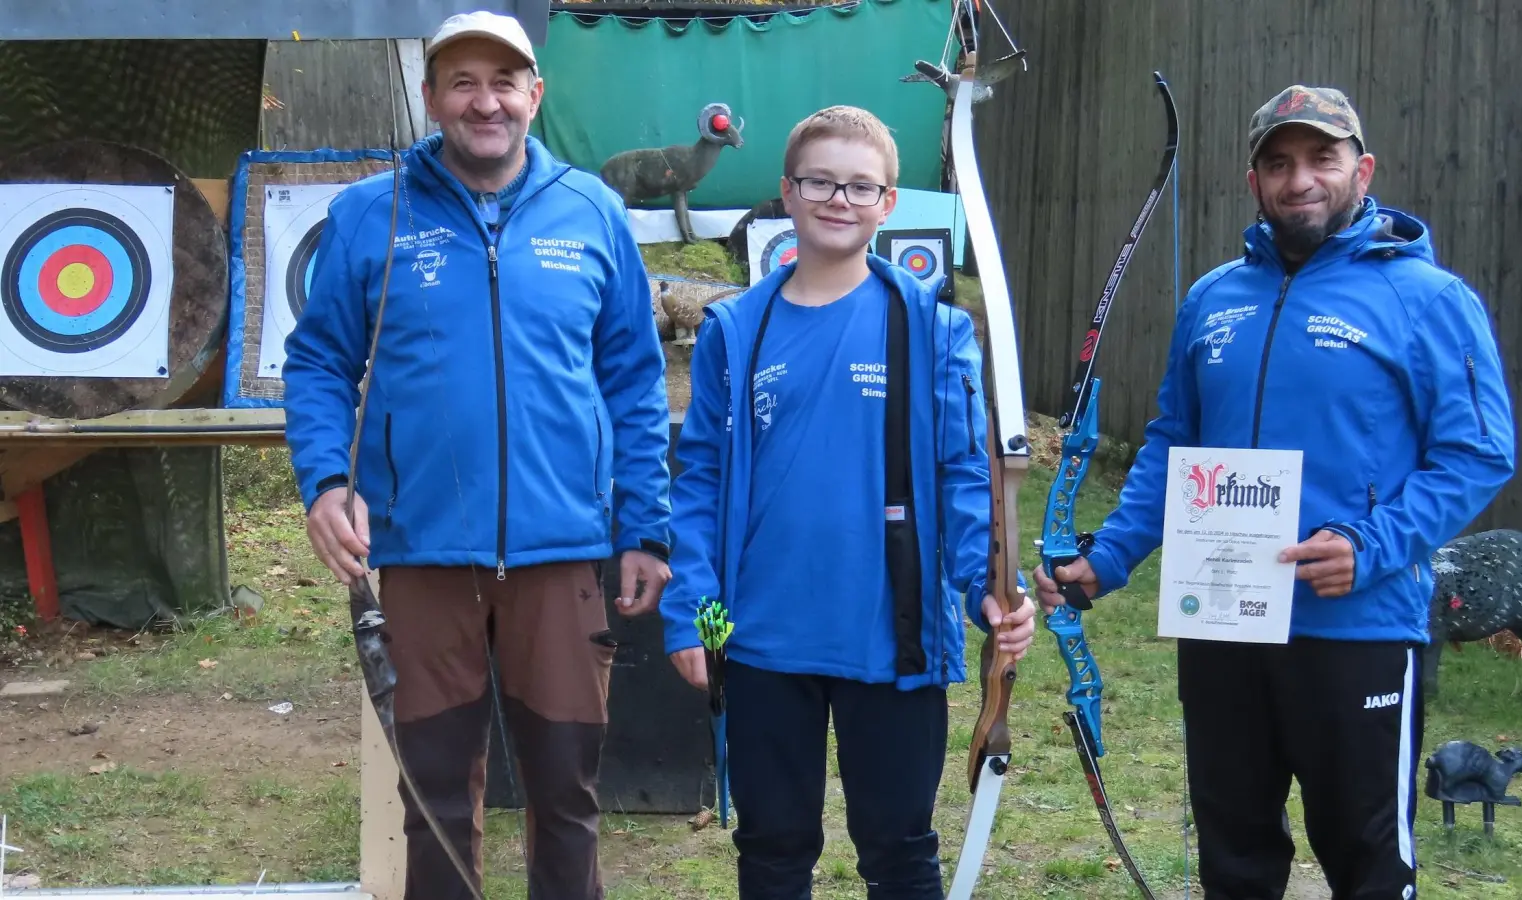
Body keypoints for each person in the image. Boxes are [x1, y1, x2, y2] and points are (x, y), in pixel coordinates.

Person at [1036, 84, 1517, 898]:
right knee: (1236, 856)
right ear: (1253, 181)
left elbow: (1478, 453)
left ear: (1361, 171)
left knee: (1367, 860)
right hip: (1221, 621)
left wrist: (1371, 546)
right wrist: (1109, 556)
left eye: (1322, 159)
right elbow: (1173, 445)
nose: (1301, 180)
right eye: (1279, 162)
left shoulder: (1428, 298)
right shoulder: (1213, 299)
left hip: (1357, 626)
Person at [282, 11, 672, 899]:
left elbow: (636, 383)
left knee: (567, 794)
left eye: (504, 82)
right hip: (421, 553)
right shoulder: (367, 216)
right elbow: (318, 362)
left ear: (535, 94)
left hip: (563, 551)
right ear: (431, 98)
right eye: (462, 82)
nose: (484, 101)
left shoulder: (592, 212)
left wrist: (645, 525)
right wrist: (326, 480)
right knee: (435, 798)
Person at [659, 105, 1039, 899]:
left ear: (888, 204)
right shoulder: (738, 329)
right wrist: (690, 609)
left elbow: (965, 476)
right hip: (761, 640)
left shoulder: (933, 330)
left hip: (891, 643)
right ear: (788, 194)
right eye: (821, 181)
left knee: (900, 852)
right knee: (771, 847)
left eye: (861, 186)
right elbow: (698, 481)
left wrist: (988, 587)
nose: (840, 199)